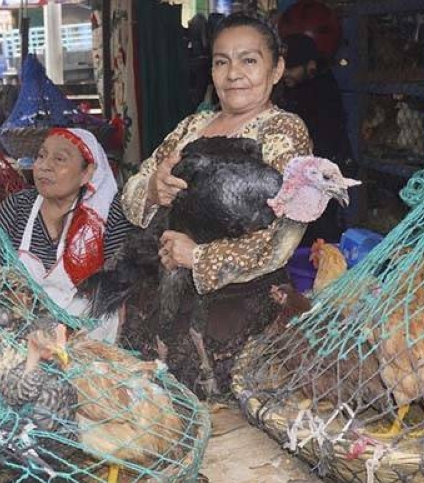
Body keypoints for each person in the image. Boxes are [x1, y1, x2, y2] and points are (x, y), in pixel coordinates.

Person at [120, 13, 313, 395]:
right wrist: (154, 190)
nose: (233, 73)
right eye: (221, 62)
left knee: (221, 427)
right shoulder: (191, 126)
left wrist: (199, 257)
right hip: (164, 295)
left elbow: (283, 234)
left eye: (249, 60)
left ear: (276, 70)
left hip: (238, 307)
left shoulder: (283, 131)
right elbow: (134, 189)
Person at [0, 128, 134, 342]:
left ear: (87, 173)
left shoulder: (107, 214)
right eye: (41, 156)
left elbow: (120, 289)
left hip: (89, 337)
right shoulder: (19, 206)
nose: (44, 166)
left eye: (59, 159)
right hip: (23, 332)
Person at [275, 32, 354, 245]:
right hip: (302, 176)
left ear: (310, 66)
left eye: (291, 69)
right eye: (283, 68)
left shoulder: (322, 92)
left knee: (318, 234)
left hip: (320, 175)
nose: (285, 75)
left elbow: (324, 141)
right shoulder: (295, 90)